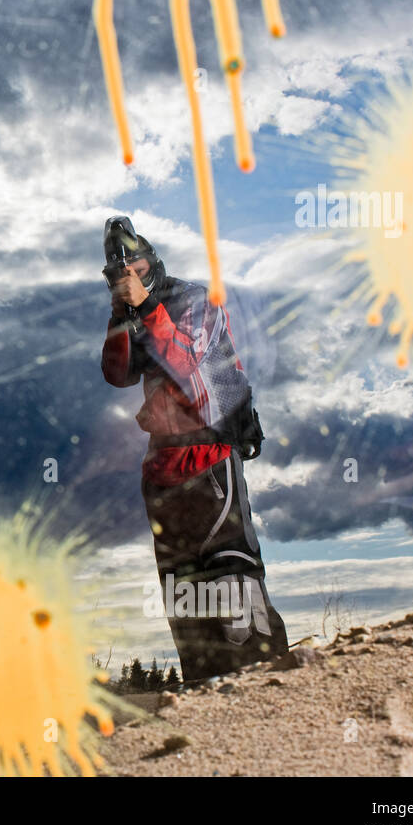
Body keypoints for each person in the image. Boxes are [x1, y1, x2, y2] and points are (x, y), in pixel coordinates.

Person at [100, 215, 287, 682]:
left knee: (231, 579)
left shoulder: (192, 299)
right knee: (184, 591)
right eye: (117, 272)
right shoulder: (134, 310)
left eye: (136, 264)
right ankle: (204, 689)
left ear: (153, 261)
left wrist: (143, 306)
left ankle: (268, 684)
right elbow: (116, 373)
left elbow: (188, 363)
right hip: (163, 464)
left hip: (208, 455)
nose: (128, 275)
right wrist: (121, 314)